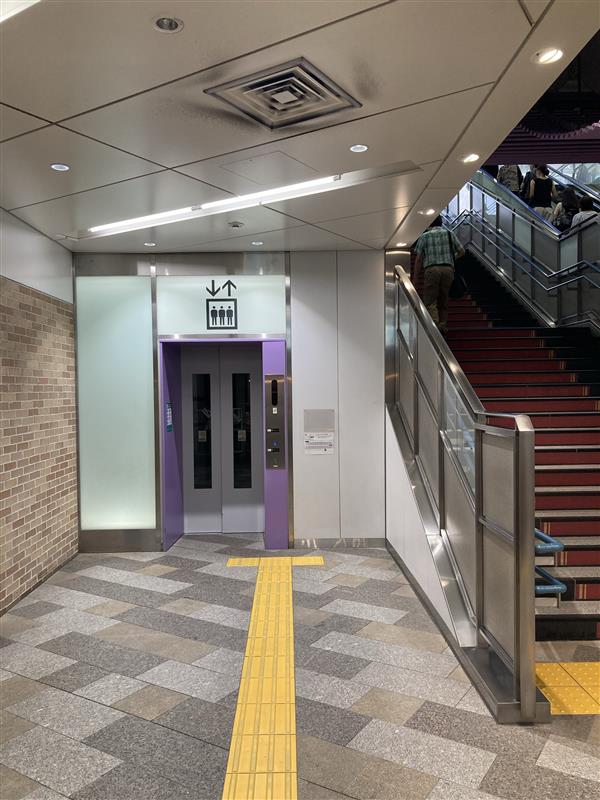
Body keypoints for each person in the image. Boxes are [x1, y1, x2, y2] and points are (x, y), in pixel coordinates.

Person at [414, 217, 465, 333]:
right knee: (444, 299)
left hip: (432, 270)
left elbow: (418, 259)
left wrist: (415, 279)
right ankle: (443, 325)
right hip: (448, 269)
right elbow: (462, 251)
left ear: (429, 224)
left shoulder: (424, 236)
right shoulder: (449, 234)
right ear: (441, 223)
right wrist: (450, 258)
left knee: (430, 300)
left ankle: (435, 327)